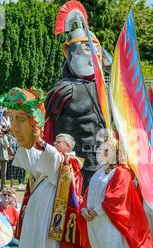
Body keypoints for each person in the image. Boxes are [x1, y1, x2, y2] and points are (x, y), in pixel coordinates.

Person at [2, 87, 87, 248]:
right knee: (40, 244)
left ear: (69, 146)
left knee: (51, 247)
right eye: (55, 141)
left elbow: (57, 163)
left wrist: (41, 141)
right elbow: (33, 162)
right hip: (41, 209)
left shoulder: (72, 160)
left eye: (61, 142)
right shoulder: (49, 156)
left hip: (56, 212)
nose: (56, 144)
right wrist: (24, 137)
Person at [44, 2, 112, 192]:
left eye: (94, 47)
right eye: (86, 47)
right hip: (72, 165)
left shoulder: (106, 91)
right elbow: (47, 125)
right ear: (69, 52)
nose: (92, 52)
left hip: (102, 164)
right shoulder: (63, 90)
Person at [82, 137, 153, 248]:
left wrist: (96, 211)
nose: (102, 152)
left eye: (106, 149)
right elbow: (88, 192)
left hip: (109, 222)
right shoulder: (101, 170)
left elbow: (117, 197)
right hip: (93, 222)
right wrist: (84, 209)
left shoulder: (122, 172)